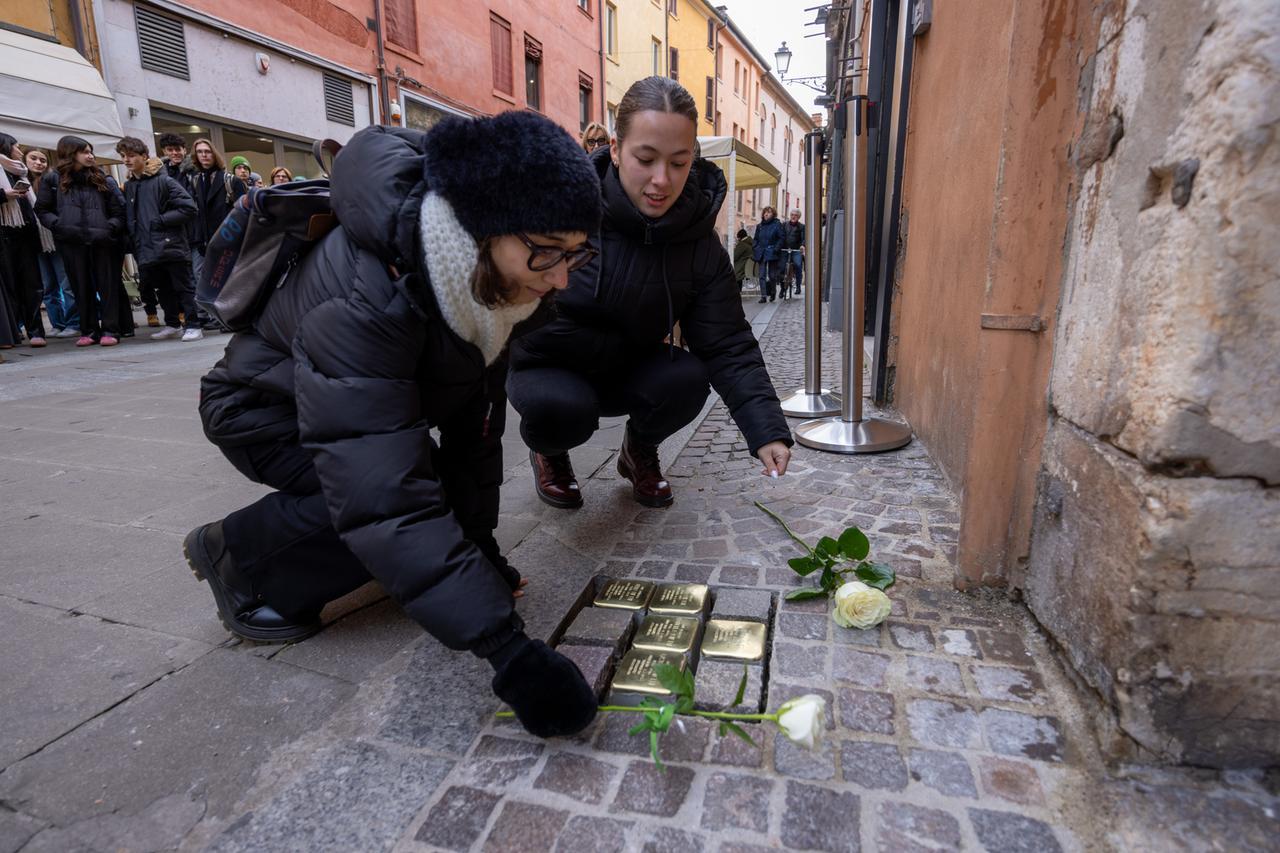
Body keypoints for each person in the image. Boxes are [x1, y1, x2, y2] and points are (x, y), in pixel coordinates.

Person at [187, 113, 603, 739]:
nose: (562, 277)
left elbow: (477, 427)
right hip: (259, 414)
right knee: (375, 510)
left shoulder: (490, 283)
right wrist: (510, 653)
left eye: (576, 252)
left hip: (336, 411)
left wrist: (481, 550)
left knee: (426, 497)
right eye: (546, 251)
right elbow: (380, 495)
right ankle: (236, 556)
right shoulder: (371, 295)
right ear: (485, 226)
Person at [508, 76, 793, 511]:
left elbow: (727, 342)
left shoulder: (698, 241)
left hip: (629, 368)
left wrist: (765, 428)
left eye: (679, 163)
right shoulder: (561, 208)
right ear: (618, 149)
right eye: (646, 158)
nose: (662, 180)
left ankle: (637, 449)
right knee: (562, 410)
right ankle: (550, 451)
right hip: (550, 366)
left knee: (687, 378)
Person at [35, 136, 125, 347]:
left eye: (90, 151)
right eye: (84, 151)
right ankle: (89, 330)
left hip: (102, 240)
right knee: (79, 285)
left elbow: (118, 210)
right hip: (71, 241)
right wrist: (60, 226)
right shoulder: (52, 180)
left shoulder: (101, 177)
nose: (90, 156)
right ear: (70, 153)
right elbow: (41, 209)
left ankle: (111, 329)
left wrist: (109, 227)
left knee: (107, 285)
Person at [116, 137, 203, 342]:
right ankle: (172, 324)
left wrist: (160, 221)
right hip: (147, 246)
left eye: (131, 155)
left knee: (183, 286)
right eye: (123, 156)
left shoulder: (164, 180)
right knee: (162, 287)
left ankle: (193, 324)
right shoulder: (130, 186)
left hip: (170, 243)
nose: (126, 160)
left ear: (144, 156)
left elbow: (189, 207)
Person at [189, 139, 246, 330]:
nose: (204, 155)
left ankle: (227, 316)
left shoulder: (231, 180)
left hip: (226, 238)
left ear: (215, 154)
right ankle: (212, 316)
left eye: (208, 151)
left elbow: (242, 213)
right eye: (200, 152)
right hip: (202, 239)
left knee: (225, 277)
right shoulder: (195, 180)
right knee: (201, 275)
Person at [0, 134, 48, 347]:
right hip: (4, 235)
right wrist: (4, 194)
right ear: (6, 147)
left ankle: (36, 331)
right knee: (10, 285)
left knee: (32, 284)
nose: (20, 151)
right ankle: (13, 330)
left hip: (27, 234)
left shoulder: (20, 171)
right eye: (17, 147)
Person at [24, 148, 78, 338]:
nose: (38, 163)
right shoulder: (20, 182)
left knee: (66, 284)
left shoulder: (52, 180)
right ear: (25, 160)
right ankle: (57, 323)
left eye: (43, 160)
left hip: (55, 239)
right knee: (47, 287)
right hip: (36, 242)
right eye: (33, 159)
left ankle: (74, 323)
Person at [752, 206, 783, 303]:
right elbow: (755, 239)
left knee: (772, 275)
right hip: (761, 252)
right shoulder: (759, 226)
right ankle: (763, 296)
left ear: (773, 214)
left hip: (772, 252)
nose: (766, 214)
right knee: (761, 275)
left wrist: (776, 249)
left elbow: (781, 237)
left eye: (769, 212)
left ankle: (773, 292)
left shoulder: (777, 224)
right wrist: (755, 247)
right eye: (765, 212)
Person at [781, 208, 805, 295]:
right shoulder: (784, 225)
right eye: (792, 215)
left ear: (798, 217)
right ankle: (782, 288)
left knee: (798, 266)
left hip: (796, 250)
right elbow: (781, 236)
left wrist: (802, 245)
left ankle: (798, 286)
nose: (793, 217)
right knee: (781, 267)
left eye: (795, 215)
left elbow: (803, 238)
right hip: (785, 249)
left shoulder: (801, 226)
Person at [732, 227, 754, 292]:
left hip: (741, 268)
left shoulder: (742, 245)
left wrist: (735, 248)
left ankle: (736, 291)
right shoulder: (751, 243)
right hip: (748, 268)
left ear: (739, 237)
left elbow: (734, 256)